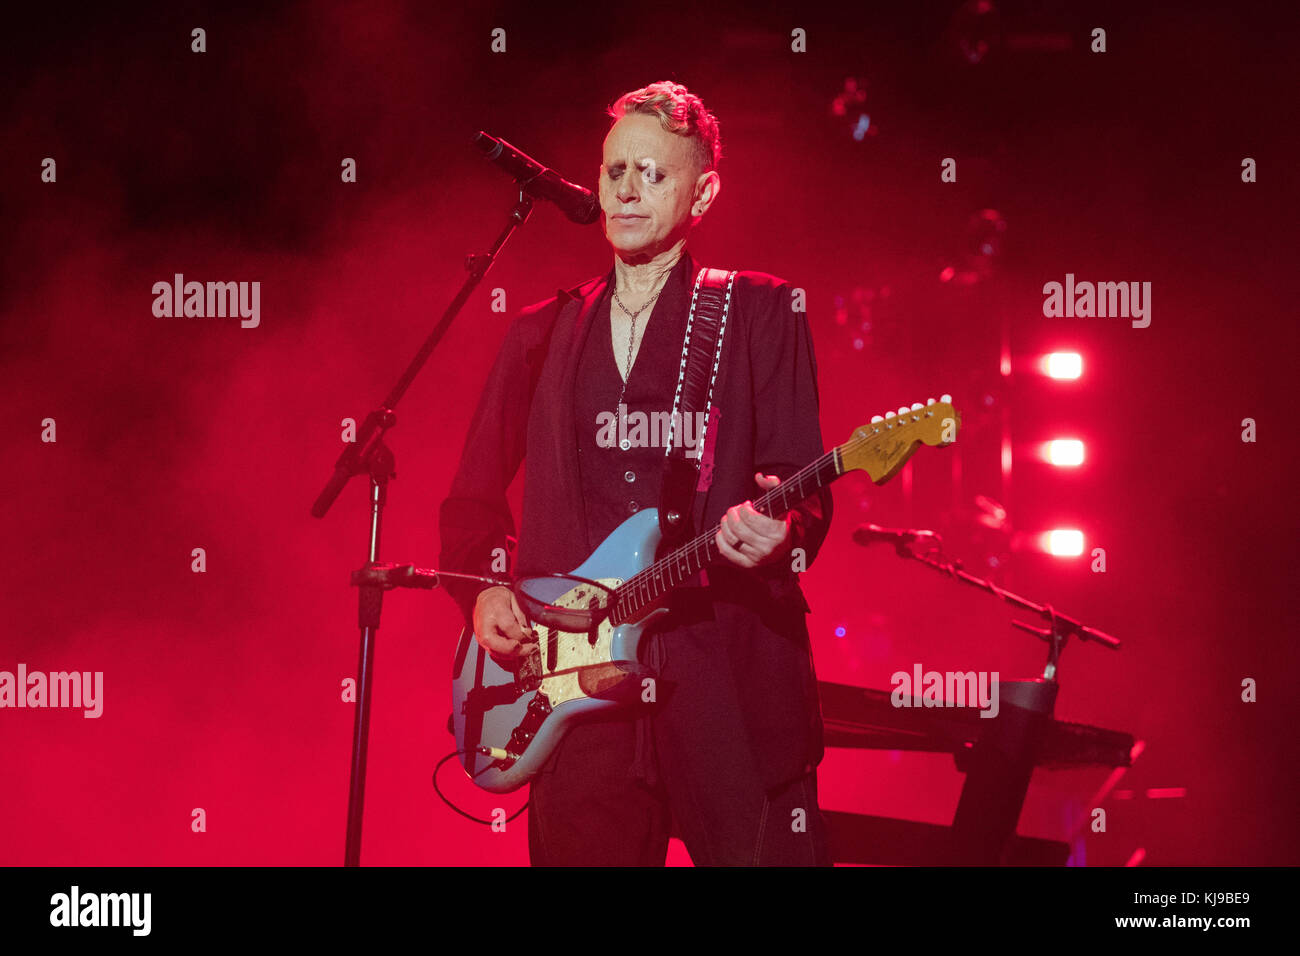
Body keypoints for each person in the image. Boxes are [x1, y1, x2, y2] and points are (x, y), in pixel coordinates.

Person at [439, 81, 833, 865]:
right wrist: (484, 588)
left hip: (722, 670)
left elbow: (802, 484)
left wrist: (781, 533)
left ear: (703, 191)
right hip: (573, 684)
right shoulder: (540, 332)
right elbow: (471, 499)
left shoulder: (758, 312)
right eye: (615, 170)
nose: (625, 189)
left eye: (652, 173)